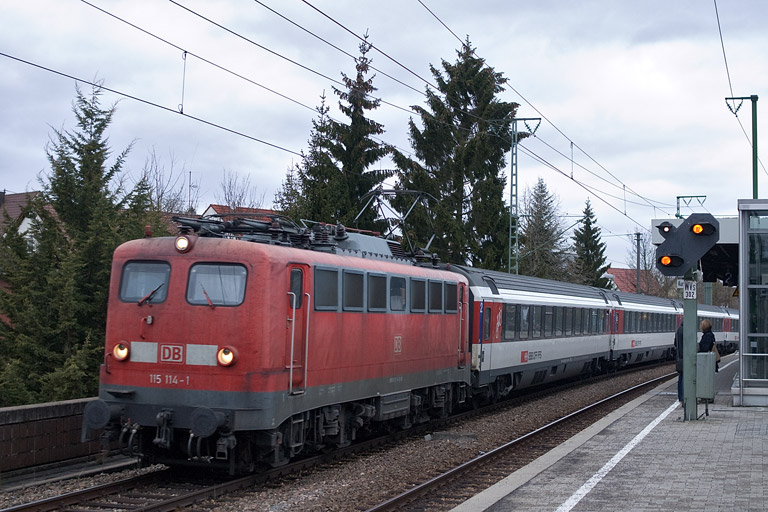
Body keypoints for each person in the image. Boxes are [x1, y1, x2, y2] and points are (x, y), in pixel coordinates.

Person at [674, 322, 684, 402]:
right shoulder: (686, 330)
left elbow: (675, 343)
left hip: (679, 358)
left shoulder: (679, 330)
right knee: (684, 378)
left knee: (681, 377)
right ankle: (683, 396)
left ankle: (681, 396)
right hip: (684, 358)